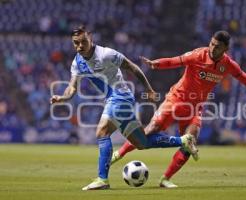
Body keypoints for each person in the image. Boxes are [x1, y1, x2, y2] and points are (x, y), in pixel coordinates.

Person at [110, 30, 246, 188]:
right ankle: (118, 154)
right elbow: (177, 60)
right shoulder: (198, 55)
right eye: (211, 43)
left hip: (195, 107)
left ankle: (165, 179)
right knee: (149, 131)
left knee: (190, 143)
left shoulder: (229, 64)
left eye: (217, 46)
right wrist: (157, 64)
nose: (212, 48)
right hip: (176, 99)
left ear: (225, 49)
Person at [50, 25, 197, 190]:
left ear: (90, 38)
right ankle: (184, 140)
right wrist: (63, 97)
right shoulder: (77, 62)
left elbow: (133, 67)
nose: (79, 46)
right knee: (142, 143)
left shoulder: (107, 54)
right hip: (115, 100)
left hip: (120, 96)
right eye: (76, 43)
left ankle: (102, 179)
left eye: (83, 42)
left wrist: (148, 89)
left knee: (102, 132)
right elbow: (72, 87)